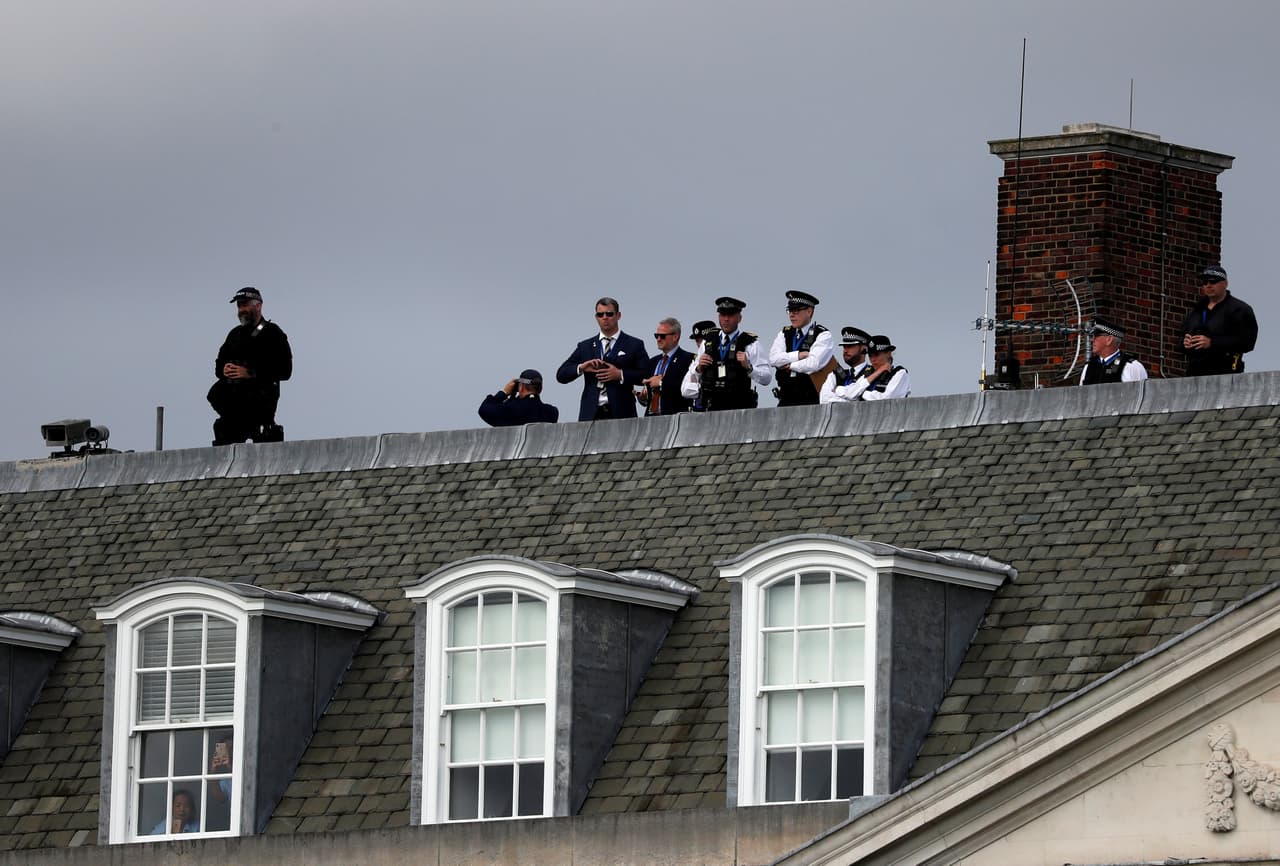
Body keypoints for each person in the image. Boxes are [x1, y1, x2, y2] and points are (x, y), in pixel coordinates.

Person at [208, 287, 293, 446]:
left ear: (258, 306)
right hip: (232, 413)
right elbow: (219, 365)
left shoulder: (273, 333)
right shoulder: (234, 335)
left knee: (266, 452)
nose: (241, 310)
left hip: (260, 411)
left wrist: (250, 373)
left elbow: (285, 370)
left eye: (245, 305)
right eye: (239, 306)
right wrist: (224, 370)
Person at [556, 297, 650, 421]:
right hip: (591, 414)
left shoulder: (634, 344)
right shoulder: (586, 346)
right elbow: (561, 375)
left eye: (609, 314)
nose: (605, 317)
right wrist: (582, 368)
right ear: (596, 317)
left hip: (622, 413)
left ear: (618, 315)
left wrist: (620, 374)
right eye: (600, 314)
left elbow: (647, 374)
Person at [692, 297, 772, 412]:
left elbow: (767, 378)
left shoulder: (750, 343)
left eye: (730, 315)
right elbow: (692, 376)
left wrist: (749, 368)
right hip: (711, 407)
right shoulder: (708, 341)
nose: (726, 319)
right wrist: (699, 368)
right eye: (722, 315)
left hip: (738, 407)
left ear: (739, 318)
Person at [1179, 264, 1258, 376]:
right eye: (1205, 282)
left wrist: (1212, 343)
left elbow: (1247, 342)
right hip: (1195, 374)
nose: (1208, 285)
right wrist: (1185, 343)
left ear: (1225, 284)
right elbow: (1179, 340)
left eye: (1213, 281)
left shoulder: (1240, 309)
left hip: (1226, 373)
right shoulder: (1196, 311)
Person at [769, 290, 835, 407]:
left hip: (811, 399)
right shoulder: (784, 333)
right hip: (785, 397)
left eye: (796, 311)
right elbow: (773, 359)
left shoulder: (823, 335)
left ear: (809, 311)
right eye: (789, 311)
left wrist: (789, 365)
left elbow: (813, 364)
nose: (791, 315)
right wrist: (798, 355)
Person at [638, 318, 695, 416]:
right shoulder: (653, 362)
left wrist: (661, 383)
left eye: (662, 336)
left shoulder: (688, 359)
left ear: (675, 337)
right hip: (651, 418)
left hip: (674, 418)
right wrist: (643, 398)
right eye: (656, 336)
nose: (658, 339)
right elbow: (651, 396)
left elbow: (686, 388)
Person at [837, 335, 910, 400]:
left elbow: (887, 399)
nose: (873, 359)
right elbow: (847, 392)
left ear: (888, 354)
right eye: (870, 356)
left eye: (876, 355)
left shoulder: (900, 373)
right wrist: (877, 373)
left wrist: (861, 394)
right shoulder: (869, 373)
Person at [478, 370, 560, 427]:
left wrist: (504, 392)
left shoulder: (511, 409)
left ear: (521, 387)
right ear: (540, 389)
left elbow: (484, 409)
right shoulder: (552, 412)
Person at [1079, 318, 1147, 385]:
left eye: (1096, 336)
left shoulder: (1131, 367)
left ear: (1109, 340)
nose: (1092, 340)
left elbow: (1141, 391)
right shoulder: (1089, 366)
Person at [820, 327, 873, 404]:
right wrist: (851, 403)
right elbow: (824, 399)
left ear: (864, 348)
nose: (845, 350)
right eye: (844, 346)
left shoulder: (873, 373)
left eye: (850, 346)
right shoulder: (835, 375)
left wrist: (837, 392)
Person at [679, 319, 717, 411]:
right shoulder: (696, 360)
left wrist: (696, 383)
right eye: (697, 341)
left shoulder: (720, 356)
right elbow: (685, 390)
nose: (700, 345)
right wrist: (698, 370)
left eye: (703, 341)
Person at [205, 732, 233, 832]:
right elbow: (220, 798)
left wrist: (231, 767)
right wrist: (213, 771)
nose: (229, 752)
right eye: (226, 749)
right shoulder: (225, 780)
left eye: (231, 748)